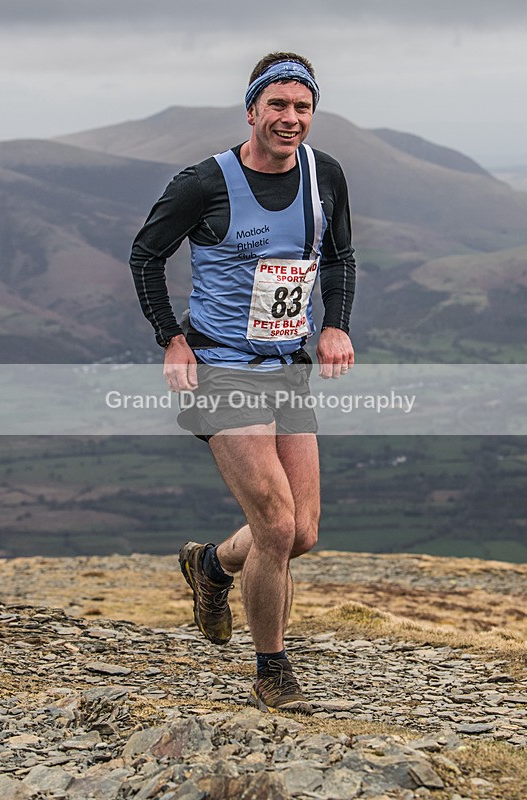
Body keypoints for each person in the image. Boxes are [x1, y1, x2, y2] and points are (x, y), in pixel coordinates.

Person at [129, 52, 356, 714]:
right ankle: (271, 670)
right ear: (251, 109)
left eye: (302, 108)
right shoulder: (204, 183)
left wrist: (334, 327)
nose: (290, 119)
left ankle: (210, 566)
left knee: (302, 532)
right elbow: (146, 253)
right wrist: (170, 338)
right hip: (222, 365)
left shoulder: (325, 174)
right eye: (278, 106)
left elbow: (337, 257)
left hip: (286, 367)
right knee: (277, 526)